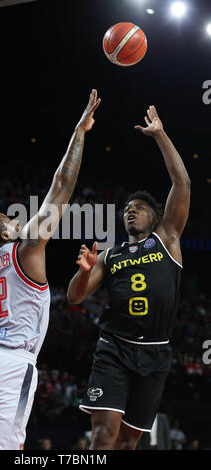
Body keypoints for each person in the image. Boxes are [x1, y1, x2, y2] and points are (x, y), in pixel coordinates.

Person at [0, 89, 101, 450]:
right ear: (6, 233)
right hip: (7, 367)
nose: (18, 222)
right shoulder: (26, 248)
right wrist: (79, 132)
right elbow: (61, 189)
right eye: (11, 220)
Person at [67, 105, 191, 450]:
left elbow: (182, 182)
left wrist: (161, 136)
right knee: (103, 435)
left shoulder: (167, 238)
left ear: (156, 216)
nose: (130, 210)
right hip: (114, 349)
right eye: (126, 209)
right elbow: (75, 298)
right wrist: (84, 272)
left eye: (138, 207)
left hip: (155, 353)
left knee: (128, 442)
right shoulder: (110, 254)